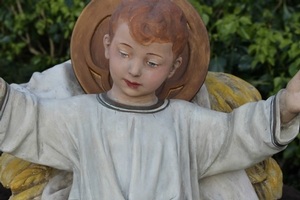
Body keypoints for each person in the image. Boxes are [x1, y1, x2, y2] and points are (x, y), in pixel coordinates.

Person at [0, 0, 299, 199]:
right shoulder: (81, 116)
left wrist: (285, 106)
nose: (134, 69)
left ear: (175, 66)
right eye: (124, 53)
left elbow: (237, 134)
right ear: (107, 46)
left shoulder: (186, 123)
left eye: (152, 62)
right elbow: (29, 121)